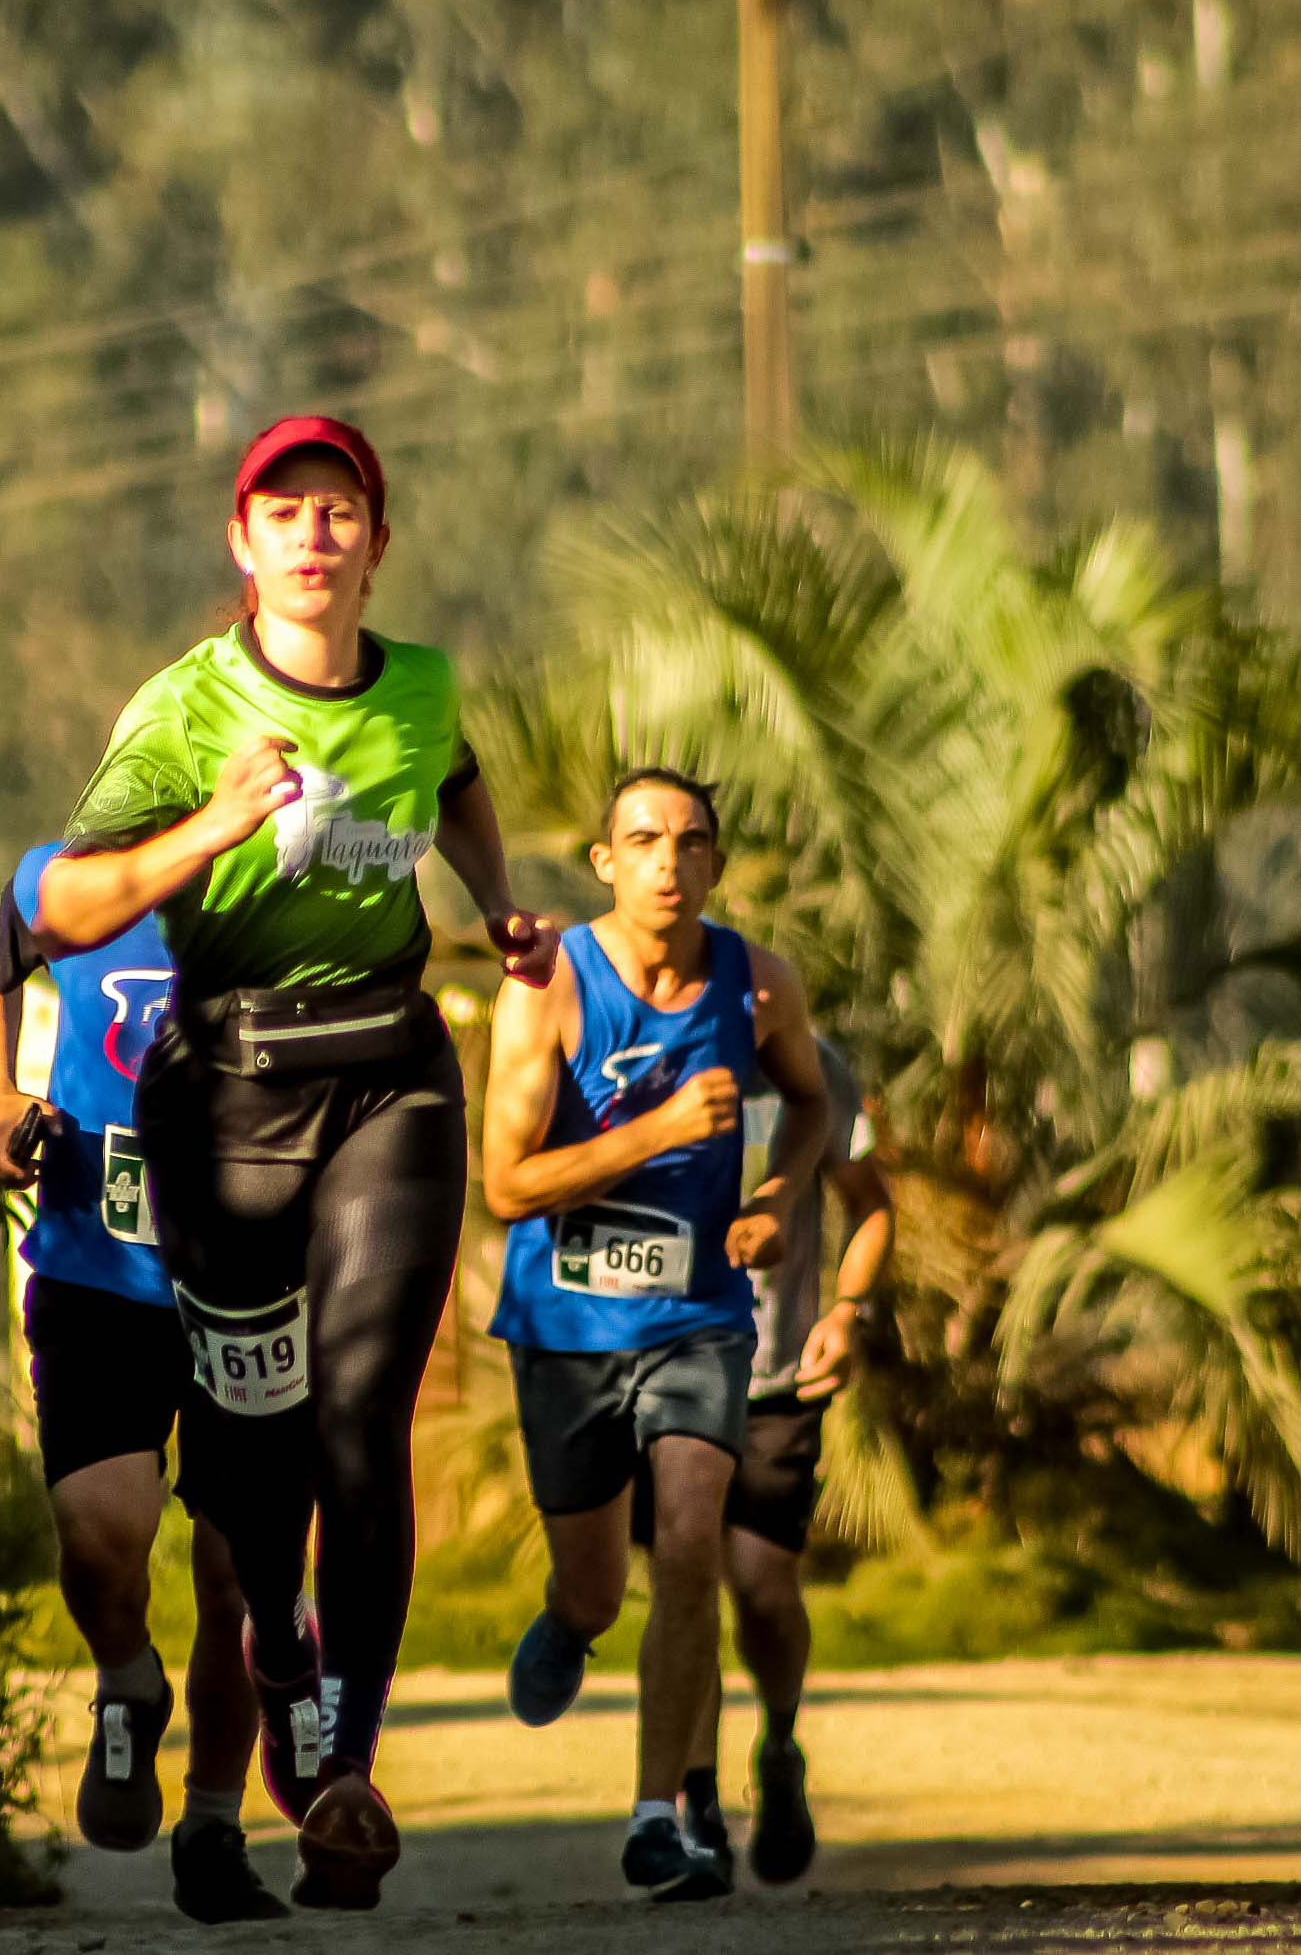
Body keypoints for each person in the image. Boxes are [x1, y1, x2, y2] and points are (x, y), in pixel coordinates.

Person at [33, 414, 557, 1911]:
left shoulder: (425, 686)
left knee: (365, 1415)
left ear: (379, 546)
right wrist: (211, 823)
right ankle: (276, 1627)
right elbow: (71, 901)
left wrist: (502, 901)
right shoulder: (188, 705)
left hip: (389, 1075)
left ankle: (344, 1775)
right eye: (288, 510)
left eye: (344, 511)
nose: (317, 532)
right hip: (224, 1097)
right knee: (254, 1461)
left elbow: (453, 779)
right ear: (244, 545)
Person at [480, 767, 830, 1900]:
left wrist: (776, 1198)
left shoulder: (759, 985)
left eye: (690, 842)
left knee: (689, 1543)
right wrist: (662, 1131)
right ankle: (571, 1620)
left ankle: (659, 1815)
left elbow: (817, 1104)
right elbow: (506, 1185)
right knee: (595, 1586)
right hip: (568, 1323)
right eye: (643, 840)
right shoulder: (550, 988)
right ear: (605, 862)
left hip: (699, 1320)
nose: (668, 863)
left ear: (717, 864)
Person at [0, 842, 284, 1924]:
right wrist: (2, 1102)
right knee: (100, 1545)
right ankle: (129, 1677)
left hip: (255, 1293)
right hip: (99, 1276)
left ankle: (213, 1825)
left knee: (241, 1575)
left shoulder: (312, 901)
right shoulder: (74, 878)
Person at [665, 1035, 893, 1886]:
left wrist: (848, 1310)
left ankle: (781, 1742)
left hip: (775, 1377)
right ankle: (699, 1812)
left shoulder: (814, 1066)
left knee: (762, 1591)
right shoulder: (627, 1047)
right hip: (661, 1376)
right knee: (684, 1585)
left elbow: (868, 1203)